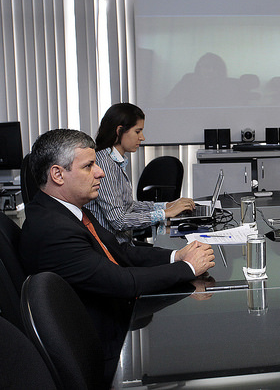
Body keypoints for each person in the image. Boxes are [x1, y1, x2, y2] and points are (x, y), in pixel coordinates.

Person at [19, 129, 216, 386]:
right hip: (105, 341)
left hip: (116, 312)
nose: (100, 172)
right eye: (89, 166)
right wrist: (188, 267)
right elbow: (120, 282)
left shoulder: (66, 211)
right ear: (57, 174)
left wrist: (176, 255)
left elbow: (122, 252)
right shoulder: (53, 230)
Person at [86, 102, 195, 245]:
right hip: (114, 249)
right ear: (119, 131)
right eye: (137, 131)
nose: (142, 137)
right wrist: (165, 214)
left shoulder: (114, 160)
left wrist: (166, 206)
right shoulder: (104, 164)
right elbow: (119, 220)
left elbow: (128, 206)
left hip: (124, 243)